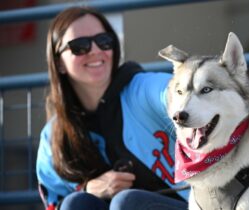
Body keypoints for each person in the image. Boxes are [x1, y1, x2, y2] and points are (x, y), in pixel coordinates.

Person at [36, 6, 188, 210]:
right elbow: (55, 203)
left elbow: (174, 92)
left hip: (193, 204)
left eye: (103, 41)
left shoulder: (140, 89)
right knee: (76, 203)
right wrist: (87, 188)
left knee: (127, 203)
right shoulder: (53, 137)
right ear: (59, 63)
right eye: (80, 46)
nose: (96, 51)